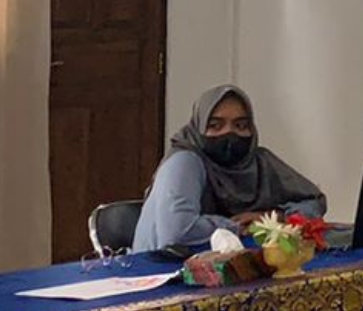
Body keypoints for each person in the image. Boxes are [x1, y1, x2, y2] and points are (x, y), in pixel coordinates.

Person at [132, 84, 326, 249]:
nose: (229, 133)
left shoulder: (259, 162)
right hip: (158, 272)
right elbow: (178, 232)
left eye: (240, 126)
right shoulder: (184, 162)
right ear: (199, 128)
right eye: (216, 126)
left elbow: (313, 201)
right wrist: (236, 226)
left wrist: (273, 218)